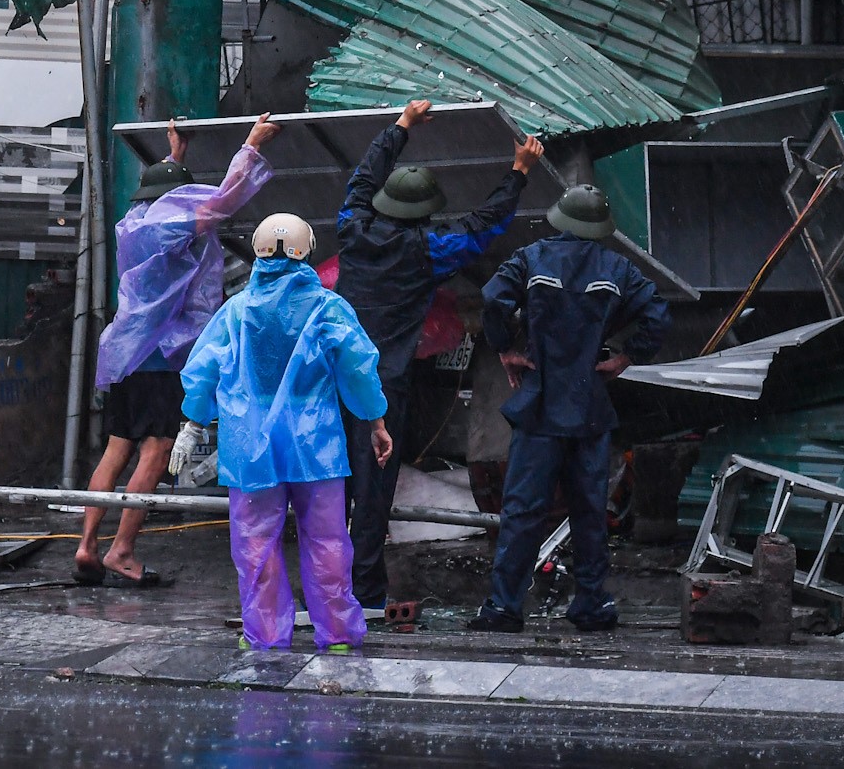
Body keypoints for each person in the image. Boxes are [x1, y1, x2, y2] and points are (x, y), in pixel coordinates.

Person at [336, 97, 543, 609]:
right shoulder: (430, 250)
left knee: (328, 486)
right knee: (373, 491)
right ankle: (363, 591)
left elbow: (361, 179)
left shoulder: (352, 229)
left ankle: (325, 585)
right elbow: (485, 226)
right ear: (425, 214)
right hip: (383, 386)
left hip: (333, 376)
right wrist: (519, 171)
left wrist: (401, 126)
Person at [73, 113, 278, 587]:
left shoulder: (134, 223)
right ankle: (122, 551)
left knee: (115, 450)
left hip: (125, 354)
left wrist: (174, 156)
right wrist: (251, 144)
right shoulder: (169, 227)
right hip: (160, 356)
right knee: (155, 449)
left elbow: (167, 194)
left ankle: (86, 544)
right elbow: (218, 205)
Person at [175, 213, 393, 652]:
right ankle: (337, 633)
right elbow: (359, 367)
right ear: (307, 249)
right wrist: (376, 421)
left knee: (255, 544)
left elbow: (202, 371)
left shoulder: (236, 311)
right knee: (329, 540)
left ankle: (265, 634)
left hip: (249, 448)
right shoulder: (328, 307)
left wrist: (192, 424)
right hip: (316, 446)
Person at [470, 183, 669, 634]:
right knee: (589, 511)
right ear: (599, 226)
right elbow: (657, 313)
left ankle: (504, 607)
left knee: (522, 510)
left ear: (559, 217)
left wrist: (505, 348)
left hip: (540, 404)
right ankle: (591, 604)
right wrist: (625, 355)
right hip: (589, 408)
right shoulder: (617, 268)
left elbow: (491, 299)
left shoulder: (531, 258)